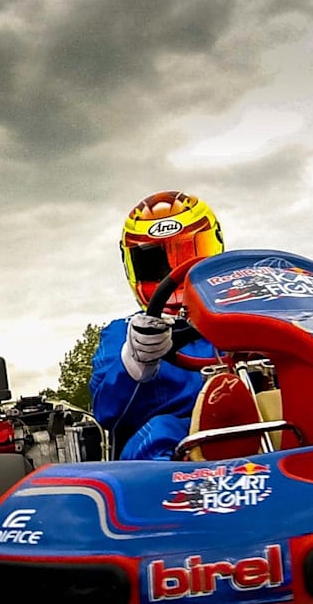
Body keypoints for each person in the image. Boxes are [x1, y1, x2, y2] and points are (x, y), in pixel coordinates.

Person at [90, 190, 224, 460]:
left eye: (189, 254)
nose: (177, 271)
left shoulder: (249, 317)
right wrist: (137, 361)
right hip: (168, 452)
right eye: (157, 263)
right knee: (161, 431)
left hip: (259, 429)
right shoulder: (121, 333)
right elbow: (106, 414)